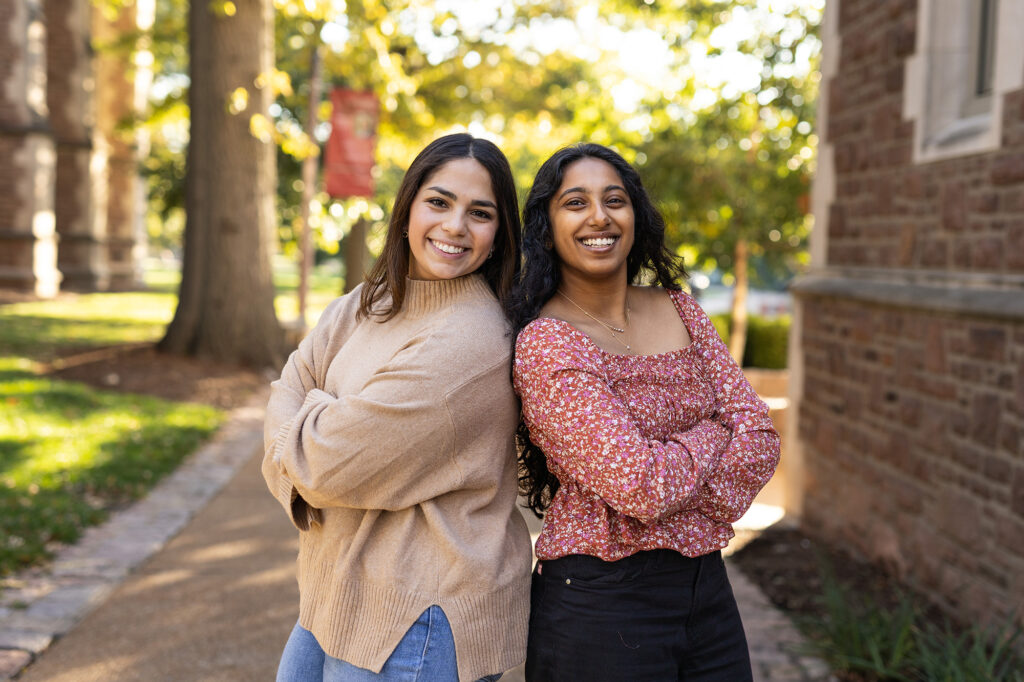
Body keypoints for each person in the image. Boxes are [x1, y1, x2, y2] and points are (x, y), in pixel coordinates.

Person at [262, 133, 532, 682]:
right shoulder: (367, 304)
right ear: (408, 205)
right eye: (439, 201)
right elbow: (284, 387)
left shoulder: (470, 343)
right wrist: (317, 413)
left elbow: (323, 464)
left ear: (499, 233)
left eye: (479, 213)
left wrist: (310, 408)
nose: (455, 226)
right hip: (333, 591)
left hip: (418, 616)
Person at [508, 143, 780, 681]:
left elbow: (761, 439)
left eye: (615, 199)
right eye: (575, 203)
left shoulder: (680, 307)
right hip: (601, 605)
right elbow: (641, 485)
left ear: (636, 216)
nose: (599, 217)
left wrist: (675, 475)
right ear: (547, 226)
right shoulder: (546, 343)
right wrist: (712, 432)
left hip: (707, 592)